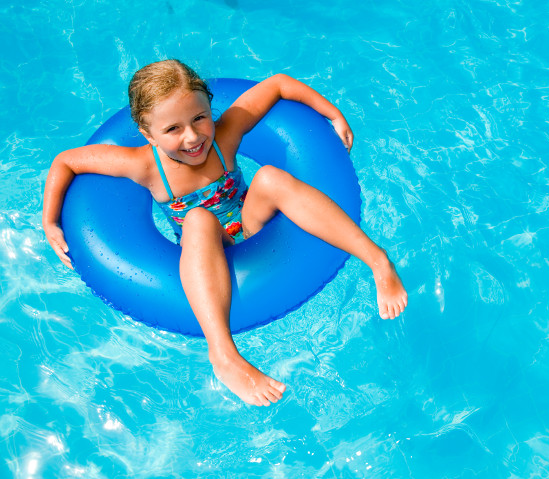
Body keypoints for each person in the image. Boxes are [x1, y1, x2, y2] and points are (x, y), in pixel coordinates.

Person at [43, 60, 407, 407]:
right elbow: (65, 161)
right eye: (173, 129)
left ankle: (377, 260)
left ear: (209, 108)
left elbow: (278, 84)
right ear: (147, 134)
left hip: (252, 225)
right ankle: (223, 354)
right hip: (205, 246)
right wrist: (50, 221)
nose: (192, 137)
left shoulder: (226, 134)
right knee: (199, 219)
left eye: (199, 118)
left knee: (270, 178)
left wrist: (333, 113)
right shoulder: (141, 165)